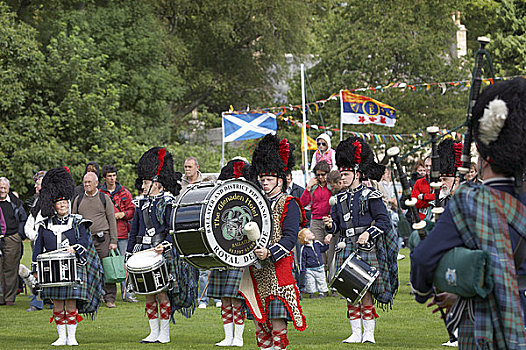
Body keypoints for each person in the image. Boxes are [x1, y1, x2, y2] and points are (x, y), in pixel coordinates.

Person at [411, 77, 526, 348]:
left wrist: (422, 290)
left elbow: (425, 258)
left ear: (485, 154)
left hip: (490, 328)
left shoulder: (469, 201)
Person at [323, 137, 398, 344]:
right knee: (349, 291)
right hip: (346, 246)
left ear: (358, 173)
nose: (343, 177)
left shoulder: (371, 195)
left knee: (365, 292)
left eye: (346, 174)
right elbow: (339, 225)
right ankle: (355, 333)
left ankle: (369, 334)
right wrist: (331, 226)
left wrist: (369, 233)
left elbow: (383, 220)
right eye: (342, 174)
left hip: (366, 247)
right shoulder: (338, 199)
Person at [240, 134, 307, 350]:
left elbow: (289, 238)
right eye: (262, 178)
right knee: (260, 326)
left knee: (277, 325)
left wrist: (270, 252)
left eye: (269, 179)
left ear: (281, 179)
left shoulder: (290, 203)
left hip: (279, 269)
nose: (264, 182)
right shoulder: (254, 203)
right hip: (255, 270)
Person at [127, 147, 197, 344]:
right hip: (143, 251)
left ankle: (164, 334)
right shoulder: (140, 203)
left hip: (161, 252)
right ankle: (153, 332)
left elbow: (171, 229)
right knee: (148, 295)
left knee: (162, 294)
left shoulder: (167, 202)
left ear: (156, 184)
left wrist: (165, 245)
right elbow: (134, 231)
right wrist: (129, 255)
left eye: (146, 182)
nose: (142, 185)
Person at [31, 167, 104, 346]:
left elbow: (85, 241)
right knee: (57, 304)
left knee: (71, 303)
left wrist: (75, 249)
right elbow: (37, 248)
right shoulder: (44, 225)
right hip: (51, 270)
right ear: (53, 205)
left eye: (65, 202)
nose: (63, 205)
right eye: (59, 202)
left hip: (73, 268)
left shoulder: (78, 221)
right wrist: (35, 270)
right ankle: (60, 337)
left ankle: (71, 337)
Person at [208, 158, 250, 347]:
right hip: (221, 251)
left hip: (240, 252)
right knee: (225, 297)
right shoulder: (219, 200)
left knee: (236, 297)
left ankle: (238, 337)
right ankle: (227, 336)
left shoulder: (248, 200)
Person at [72, 172, 118, 308]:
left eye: (89, 182)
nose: (86, 185)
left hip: (103, 239)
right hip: (85, 240)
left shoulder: (104, 198)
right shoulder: (78, 199)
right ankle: (91, 296)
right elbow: (74, 221)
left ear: (96, 183)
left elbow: (111, 220)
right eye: (85, 182)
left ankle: (109, 298)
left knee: (107, 268)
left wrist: (113, 241)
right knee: (86, 269)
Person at [99, 164, 137, 303]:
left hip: (122, 233)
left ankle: (127, 293)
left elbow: (132, 210)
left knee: (125, 264)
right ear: (104, 177)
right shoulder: (100, 194)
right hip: (105, 233)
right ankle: (104, 293)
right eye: (109, 176)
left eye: (114, 175)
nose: (112, 178)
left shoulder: (124, 192)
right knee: (105, 264)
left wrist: (123, 214)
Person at [0, 177, 27, 306]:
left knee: (11, 268)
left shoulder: (15, 202)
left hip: (12, 237)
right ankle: (0, 297)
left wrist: (19, 235)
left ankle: (9, 298)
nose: (2, 190)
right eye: (0, 187)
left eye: (5, 188)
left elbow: (23, 218)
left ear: (8, 189)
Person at [300, 160, 332, 266]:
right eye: (318, 175)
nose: (321, 177)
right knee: (318, 249)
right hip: (316, 221)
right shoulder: (314, 187)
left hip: (330, 220)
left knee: (332, 248)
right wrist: (308, 187)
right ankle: (322, 274)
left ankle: (332, 276)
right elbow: (303, 203)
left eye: (323, 174)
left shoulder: (332, 186)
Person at [24, 170, 47, 312]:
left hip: (51, 244)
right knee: (36, 272)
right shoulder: (36, 202)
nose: (35, 187)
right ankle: (36, 302)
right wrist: (36, 237)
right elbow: (29, 224)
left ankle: (51, 300)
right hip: (37, 244)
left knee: (50, 272)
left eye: (37, 184)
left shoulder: (54, 202)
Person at [298, 228, 329, 298]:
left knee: (321, 280)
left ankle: (322, 292)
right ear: (305, 239)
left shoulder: (317, 243)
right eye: (309, 233)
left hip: (320, 267)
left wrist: (327, 245)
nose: (312, 233)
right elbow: (302, 260)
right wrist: (303, 270)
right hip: (309, 269)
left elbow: (323, 249)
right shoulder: (304, 249)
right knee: (310, 282)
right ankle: (311, 293)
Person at [410, 156, 434, 221]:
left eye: (431, 166)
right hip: (422, 219)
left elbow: (440, 196)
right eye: (426, 166)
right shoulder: (419, 182)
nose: (428, 168)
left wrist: (423, 197)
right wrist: (431, 201)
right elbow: (414, 202)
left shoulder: (441, 180)